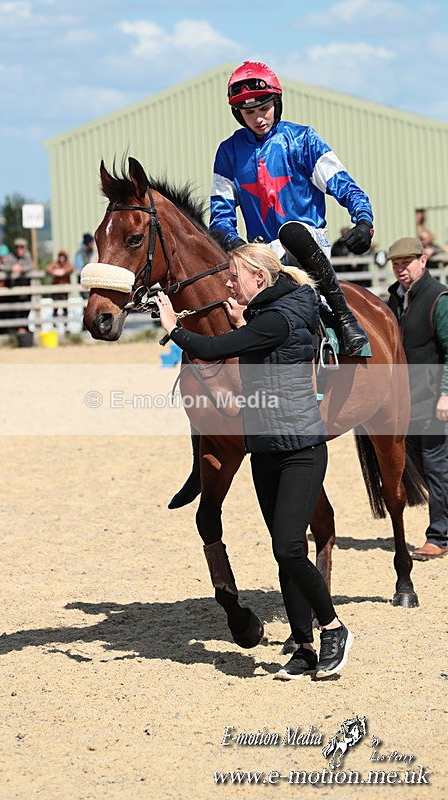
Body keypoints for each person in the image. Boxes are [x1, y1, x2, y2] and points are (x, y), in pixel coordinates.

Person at [171, 59, 374, 510]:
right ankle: (197, 459)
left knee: (294, 236)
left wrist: (363, 217)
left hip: (304, 253)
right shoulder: (228, 153)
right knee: (202, 339)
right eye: (248, 110)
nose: (258, 115)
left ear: (275, 102)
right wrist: (240, 251)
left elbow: (341, 182)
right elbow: (221, 214)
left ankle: (343, 319)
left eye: (263, 106)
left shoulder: (303, 139)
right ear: (237, 114)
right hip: (256, 258)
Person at [156, 243, 354, 678]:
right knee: (284, 552)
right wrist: (244, 320)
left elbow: (216, 347)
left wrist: (173, 328)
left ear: (259, 280)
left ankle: (334, 628)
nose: (226, 282)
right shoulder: (267, 316)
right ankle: (303, 647)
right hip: (266, 448)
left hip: (300, 450)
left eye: (234, 276)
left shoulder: (281, 319)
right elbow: (255, 347)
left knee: (288, 545)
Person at [387, 237, 448, 560]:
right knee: (426, 468)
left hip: (435, 398)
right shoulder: (396, 299)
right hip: (410, 400)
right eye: (396, 265)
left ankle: (438, 536)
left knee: (437, 467)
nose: (401, 270)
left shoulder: (439, 299)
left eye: (406, 263)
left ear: (422, 261)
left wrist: (446, 395)